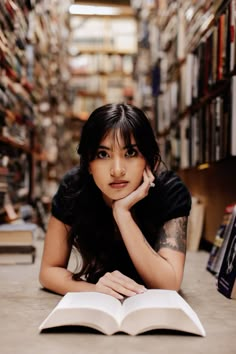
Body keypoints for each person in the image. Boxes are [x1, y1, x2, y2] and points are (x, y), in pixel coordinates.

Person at [39, 103, 191, 300]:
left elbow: (168, 284)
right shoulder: (74, 189)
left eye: (130, 153)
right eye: (103, 154)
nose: (117, 170)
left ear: (150, 161)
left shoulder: (170, 191)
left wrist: (122, 214)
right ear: (89, 164)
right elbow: (49, 271)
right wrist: (96, 291)